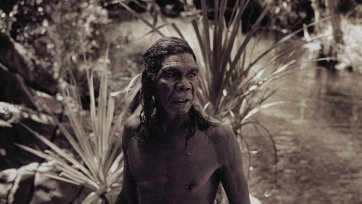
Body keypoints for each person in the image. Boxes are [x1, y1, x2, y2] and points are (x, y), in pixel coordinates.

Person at [116, 37, 250, 204]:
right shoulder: (134, 131)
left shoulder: (219, 138)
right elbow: (127, 198)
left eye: (191, 74)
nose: (185, 85)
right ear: (151, 80)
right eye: (172, 74)